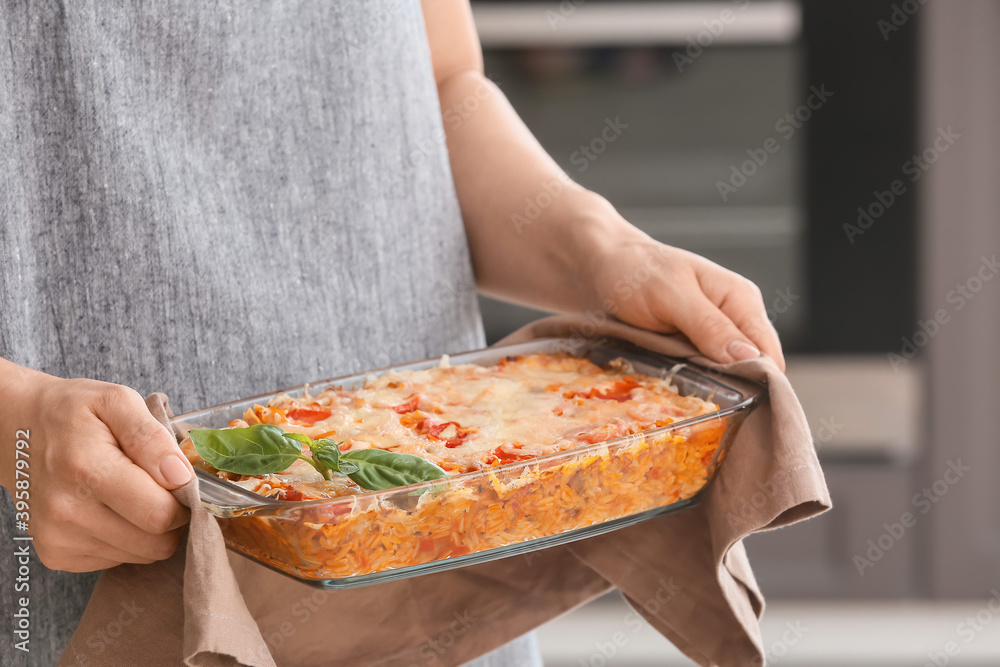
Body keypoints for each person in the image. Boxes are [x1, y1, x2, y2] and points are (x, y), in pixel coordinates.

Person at [0, 1, 784, 665]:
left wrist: (604, 249)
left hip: (442, 546)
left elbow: (439, 85)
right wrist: (16, 427)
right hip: (97, 551)